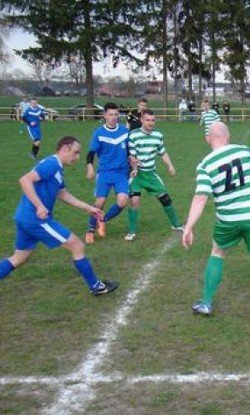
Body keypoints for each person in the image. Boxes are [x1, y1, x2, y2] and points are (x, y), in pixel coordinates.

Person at [182, 122, 250, 326]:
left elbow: (201, 197)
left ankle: (206, 303)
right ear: (228, 136)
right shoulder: (243, 150)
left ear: (208, 139)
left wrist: (189, 226)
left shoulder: (205, 165)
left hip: (227, 220)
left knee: (217, 253)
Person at [0, 136, 118, 296]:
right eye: (75, 153)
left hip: (24, 217)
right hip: (36, 219)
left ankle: (96, 286)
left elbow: (62, 194)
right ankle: (96, 287)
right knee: (77, 245)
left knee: (19, 258)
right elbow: (25, 180)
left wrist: (88, 208)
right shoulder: (51, 164)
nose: (77, 157)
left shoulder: (57, 168)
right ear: (64, 149)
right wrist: (39, 205)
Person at [126, 109, 183, 241]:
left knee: (165, 198)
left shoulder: (158, 135)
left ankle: (176, 225)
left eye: (153, 120)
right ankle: (131, 231)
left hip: (151, 174)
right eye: (148, 120)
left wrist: (170, 166)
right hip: (137, 175)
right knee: (134, 201)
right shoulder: (133, 135)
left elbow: (162, 152)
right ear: (141, 120)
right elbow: (132, 155)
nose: (151, 123)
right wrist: (134, 166)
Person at [84, 102, 131, 244]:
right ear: (105, 115)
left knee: (123, 200)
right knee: (100, 202)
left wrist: (134, 163)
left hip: (121, 172)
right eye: (110, 114)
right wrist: (90, 168)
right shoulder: (98, 133)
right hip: (104, 172)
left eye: (116, 114)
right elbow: (91, 154)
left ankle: (103, 219)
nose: (114, 117)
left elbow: (130, 152)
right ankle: (90, 229)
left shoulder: (124, 131)